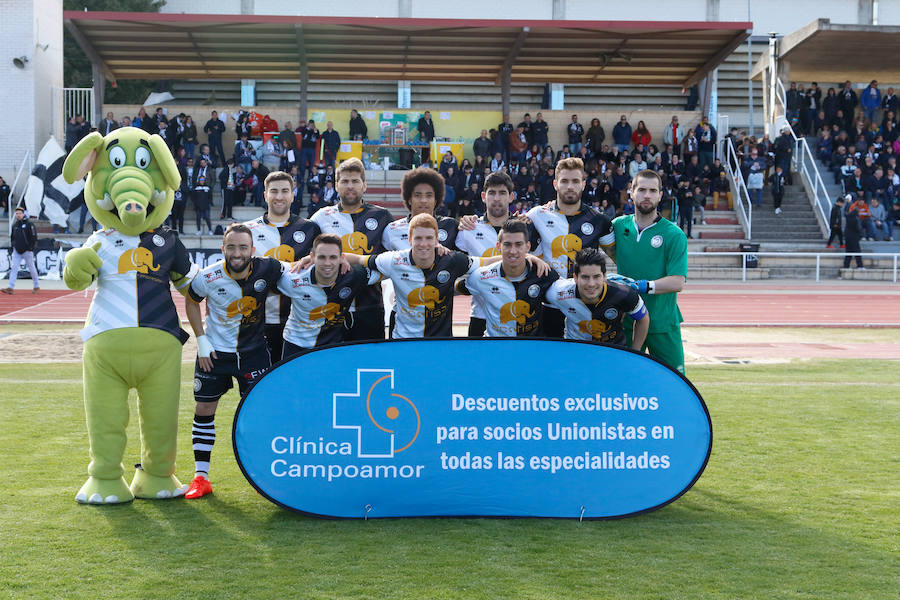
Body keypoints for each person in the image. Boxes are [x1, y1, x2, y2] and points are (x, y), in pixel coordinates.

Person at [183, 223, 284, 499]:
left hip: (253, 354)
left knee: (258, 412)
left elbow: (296, 271)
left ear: (252, 250)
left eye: (242, 247)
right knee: (204, 408)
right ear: (223, 249)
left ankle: (266, 476)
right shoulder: (209, 276)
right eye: (231, 247)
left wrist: (311, 259)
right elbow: (191, 301)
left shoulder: (267, 268)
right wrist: (201, 341)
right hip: (214, 355)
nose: (237, 253)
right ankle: (201, 478)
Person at [525, 157, 616, 338]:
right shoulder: (536, 215)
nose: (570, 186)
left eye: (575, 181)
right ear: (555, 184)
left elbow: (618, 257)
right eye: (564, 181)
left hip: (586, 305)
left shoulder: (599, 220)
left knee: (584, 361)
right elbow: (512, 240)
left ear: (583, 184)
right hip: (548, 304)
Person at [612, 170, 688, 374]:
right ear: (631, 192)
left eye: (653, 190)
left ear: (660, 195)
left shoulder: (674, 234)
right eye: (642, 189)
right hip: (627, 322)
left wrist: (641, 286)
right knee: (623, 384)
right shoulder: (618, 226)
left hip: (662, 323)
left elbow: (678, 282)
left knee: (674, 385)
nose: (647, 195)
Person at [309, 158, 393, 340]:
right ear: (336, 185)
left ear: (364, 185)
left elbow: (397, 257)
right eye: (345, 181)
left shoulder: (382, 216)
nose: (350, 186)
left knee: (368, 366)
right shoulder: (321, 217)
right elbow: (308, 258)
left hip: (370, 307)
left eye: (355, 181)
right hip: (330, 308)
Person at [243, 171, 321, 361]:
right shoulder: (248, 230)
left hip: (299, 324)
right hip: (258, 323)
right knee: (259, 383)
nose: (279, 197)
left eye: (285, 191)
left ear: (293, 194)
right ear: (265, 194)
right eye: (274, 191)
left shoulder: (310, 228)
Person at [278, 233, 376, 359]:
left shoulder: (353, 275)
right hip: (295, 345)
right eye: (322, 257)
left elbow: (389, 266)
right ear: (312, 257)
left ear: (342, 258)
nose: (327, 263)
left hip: (332, 348)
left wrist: (355, 259)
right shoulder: (292, 277)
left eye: (333, 257)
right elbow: (263, 269)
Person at [456, 219, 559, 337]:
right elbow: (456, 287)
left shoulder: (544, 273)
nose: (513, 251)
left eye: (519, 244)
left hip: (532, 347)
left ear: (528, 246)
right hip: (495, 347)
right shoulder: (482, 276)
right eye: (507, 244)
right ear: (498, 246)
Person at [546, 248, 649, 348]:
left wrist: (636, 351)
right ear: (575, 277)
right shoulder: (559, 291)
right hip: (575, 349)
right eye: (585, 277)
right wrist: (531, 257)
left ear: (604, 276)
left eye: (596, 277)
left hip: (613, 350)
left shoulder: (624, 294)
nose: (591, 284)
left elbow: (643, 319)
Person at [455, 171, 516, 336]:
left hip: (515, 316)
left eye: (502, 193)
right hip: (479, 317)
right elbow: (458, 272)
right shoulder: (468, 230)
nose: (497, 198)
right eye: (492, 193)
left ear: (511, 197)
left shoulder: (524, 229)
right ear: (483, 196)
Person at [3, 206, 39, 295]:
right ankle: (10, 287)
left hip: (27, 251)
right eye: (17, 213)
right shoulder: (15, 225)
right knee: (14, 268)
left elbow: (34, 237)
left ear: (23, 214)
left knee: (31, 268)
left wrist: (30, 248)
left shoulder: (29, 224)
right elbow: (12, 238)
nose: (18, 215)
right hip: (17, 251)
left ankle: (36, 285)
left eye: (20, 213)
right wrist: (13, 246)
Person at [191, 157, 213, 235]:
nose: (202, 181)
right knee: (198, 218)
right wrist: (195, 204)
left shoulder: (208, 188)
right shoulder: (196, 188)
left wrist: (209, 203)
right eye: (201, 180)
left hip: (206, 205)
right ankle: (199, 230)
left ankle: (210, 230)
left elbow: (210, 197)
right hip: (198, 206)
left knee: (207, 217)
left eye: (203, 180)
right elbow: (193, 197)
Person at [842, 194, 864, 270]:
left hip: (847, 236)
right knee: (857, 251)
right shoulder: (855, 219)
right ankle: (860, 266)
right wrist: (861, 235)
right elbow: (858, 228)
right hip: (854, 237)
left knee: (848, 252)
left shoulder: (848, 218)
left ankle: (846, 266)